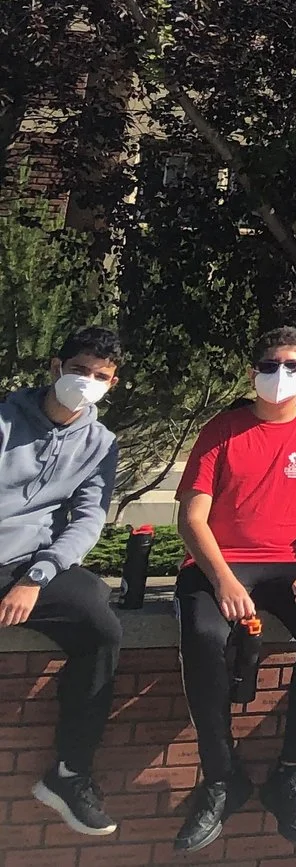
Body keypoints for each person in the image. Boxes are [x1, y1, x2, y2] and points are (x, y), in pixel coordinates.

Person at [171, 325, 296, 851]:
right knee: (204, 636)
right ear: (254, 371)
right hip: (220, 566)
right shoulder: (222, 428)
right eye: (270, 365)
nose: (280, 375)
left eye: (293, 366)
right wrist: (222, 578)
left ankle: (291, 774)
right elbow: (191, 517)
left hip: (291, 566)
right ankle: (222, 779)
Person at [4, 327, 124, 837]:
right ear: (57, 366)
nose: (87, 382)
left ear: (112, 383)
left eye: (100, 376)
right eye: (79, 370)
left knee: (100, 624)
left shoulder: (100, 443)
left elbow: (86, 520)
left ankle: (69, 773)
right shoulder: (7, 418)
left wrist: (37, 575)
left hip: (32, 565)